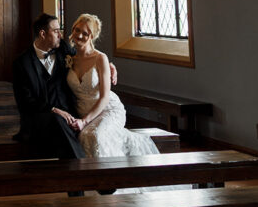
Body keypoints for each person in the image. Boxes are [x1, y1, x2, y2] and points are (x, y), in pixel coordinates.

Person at [63, 13, 158, 158]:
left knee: (94, 135)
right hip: (83, 110)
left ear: (92, 36)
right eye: (77, 30)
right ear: (73, 29)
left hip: (107, 109)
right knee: (84, 136)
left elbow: (104, 97)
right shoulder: (68, 57)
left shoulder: (100, 58)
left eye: (85, 33)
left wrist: (84, 121)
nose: (80, 36)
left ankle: (109, 175)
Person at [12, 13, 86, 160]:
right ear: (43, 34)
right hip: (39, 119)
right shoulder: (21, 63)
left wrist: (108, 65)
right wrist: (53, 110)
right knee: (57, 121)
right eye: (56, 31)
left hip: (69, 115)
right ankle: (82, 166)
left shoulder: (63, 49)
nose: (60, 34)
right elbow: (25, 101)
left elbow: (87, 58)